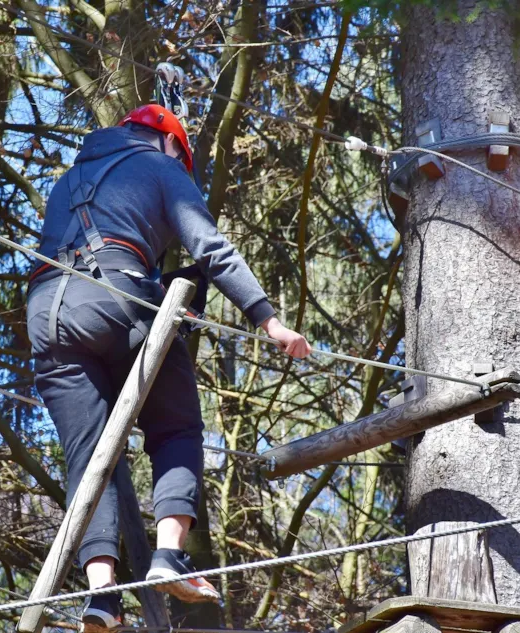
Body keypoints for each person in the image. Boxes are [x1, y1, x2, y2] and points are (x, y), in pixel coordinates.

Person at [26, 104, 311, 632]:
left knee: (89, 454)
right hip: (115, 296)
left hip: (45, 313)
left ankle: (101, 598)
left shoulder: (68, 181)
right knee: (176, 425)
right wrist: (269, 322)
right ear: (172, 144)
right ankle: (169, 557)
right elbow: (210, 249)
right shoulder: (163, 169)